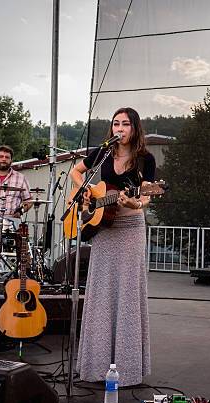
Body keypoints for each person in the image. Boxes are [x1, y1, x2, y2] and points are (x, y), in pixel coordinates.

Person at [70, 107, 155, 385]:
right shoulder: (103, 152)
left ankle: (127, 368)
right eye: (116, 124)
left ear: (135, 128)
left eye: (125, 124)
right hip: (103, 228)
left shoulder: (145, 158)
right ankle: (96, 364)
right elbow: (75, 172)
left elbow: (148, 196)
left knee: (127, 293)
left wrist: (135, 202)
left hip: (130, 228)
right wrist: (88, 193)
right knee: (101, 291)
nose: (120, 128)